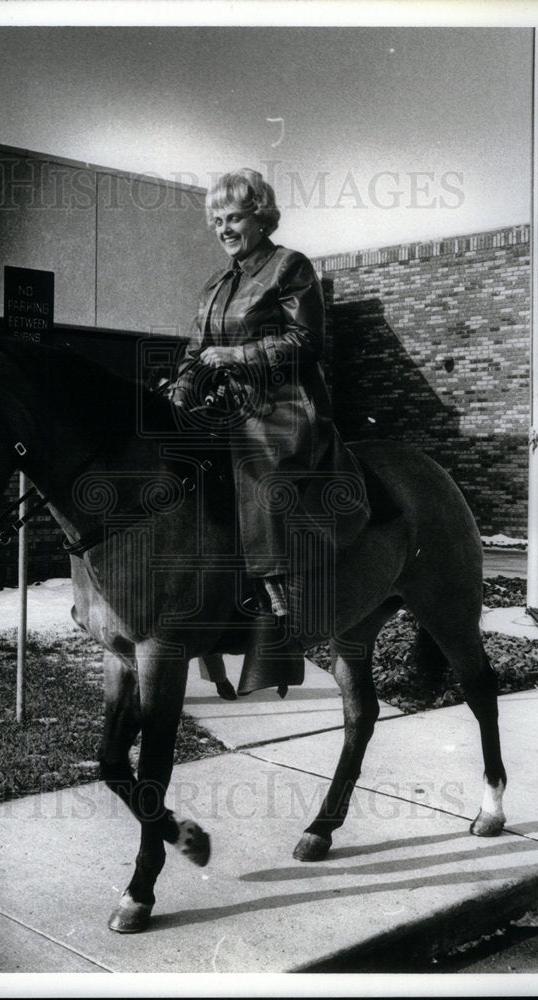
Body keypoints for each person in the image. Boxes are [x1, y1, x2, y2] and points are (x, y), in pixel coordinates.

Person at [172, 168, 370, 697]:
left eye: (234, 217)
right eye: (217, 220)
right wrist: (181, 387)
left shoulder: (290, 266)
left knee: (255, 471)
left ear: (261, 218)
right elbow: (194, 352)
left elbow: (307, 340)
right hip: (225, 407)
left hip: (281, 407)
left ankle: (278, 605)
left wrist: (239, 355)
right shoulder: (216, 285)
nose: (224, 228)